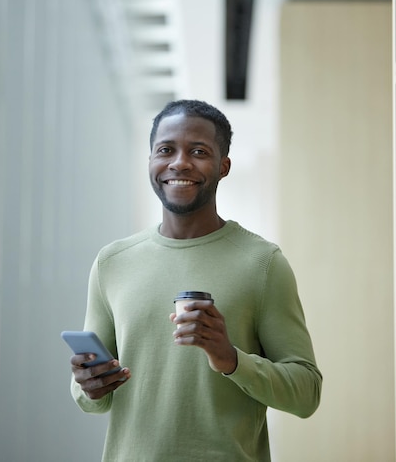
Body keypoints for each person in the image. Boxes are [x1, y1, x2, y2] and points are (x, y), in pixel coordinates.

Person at [69, 99, 322, 462]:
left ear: (223, 167)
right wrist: (88, 387)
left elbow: (306, 394)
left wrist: (231, 358)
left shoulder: (263, 263)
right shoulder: (112, 262)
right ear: (151, 161)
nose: (180, 162)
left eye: (199, 151)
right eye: (166, 150)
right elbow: (93, 400)